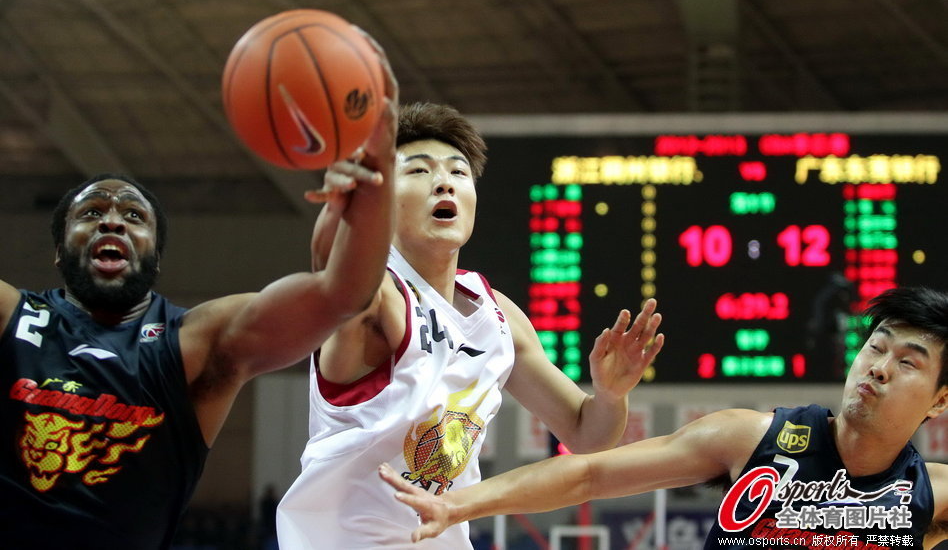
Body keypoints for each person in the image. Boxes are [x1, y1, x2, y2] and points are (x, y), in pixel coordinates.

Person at [0, 44, 398, 549]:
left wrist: (377, 168)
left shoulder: (196, 342)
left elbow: (344, 295)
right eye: (91, 212)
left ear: (155, 257)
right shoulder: (12, 318)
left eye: (134, 216)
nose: (112, 219)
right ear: (60, 251)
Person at [276, 102, 665, 549]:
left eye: (458, 173)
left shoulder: (498, 314)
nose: (444, 181)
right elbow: (338, 282)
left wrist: (612, 395)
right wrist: (344, 208)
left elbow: (587, 435)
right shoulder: (378, 294)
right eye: (419, 171)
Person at [381, 285, 948, 549]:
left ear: (940, 400)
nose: (878, 368)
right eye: (876, 346)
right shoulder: (752, 438)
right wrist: (458, 504)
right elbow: (589, 474)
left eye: (908, 362)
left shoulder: (931, 495)